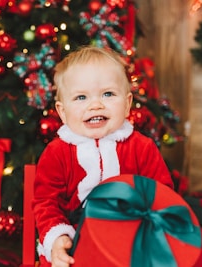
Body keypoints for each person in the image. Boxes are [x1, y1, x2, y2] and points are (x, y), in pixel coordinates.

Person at [32, 45, 174, 267]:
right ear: (62, 112)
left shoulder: (141, 148)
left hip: (129, 244)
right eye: (81, 97)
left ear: (127, 104)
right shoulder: (57, 152)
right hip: (76, 247)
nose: (95, 105)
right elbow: (46, 203)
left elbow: (162, 197)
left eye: (108, 94)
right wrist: (58, 238)